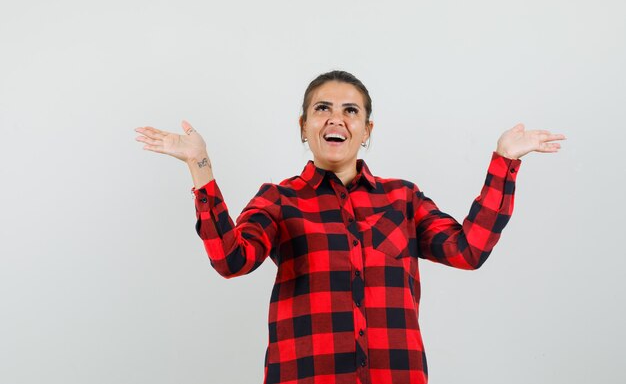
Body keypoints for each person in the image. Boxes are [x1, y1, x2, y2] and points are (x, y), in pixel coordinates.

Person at [134, 70, 566, 384]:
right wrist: (200, 166)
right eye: (322, 109)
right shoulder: (279, 199)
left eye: (350, 110)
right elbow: (230, 260)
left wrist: (505, 162)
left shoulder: (403, 199)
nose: (335, 119)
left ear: (366, 130)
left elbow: (467, 250)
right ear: (303, 127)